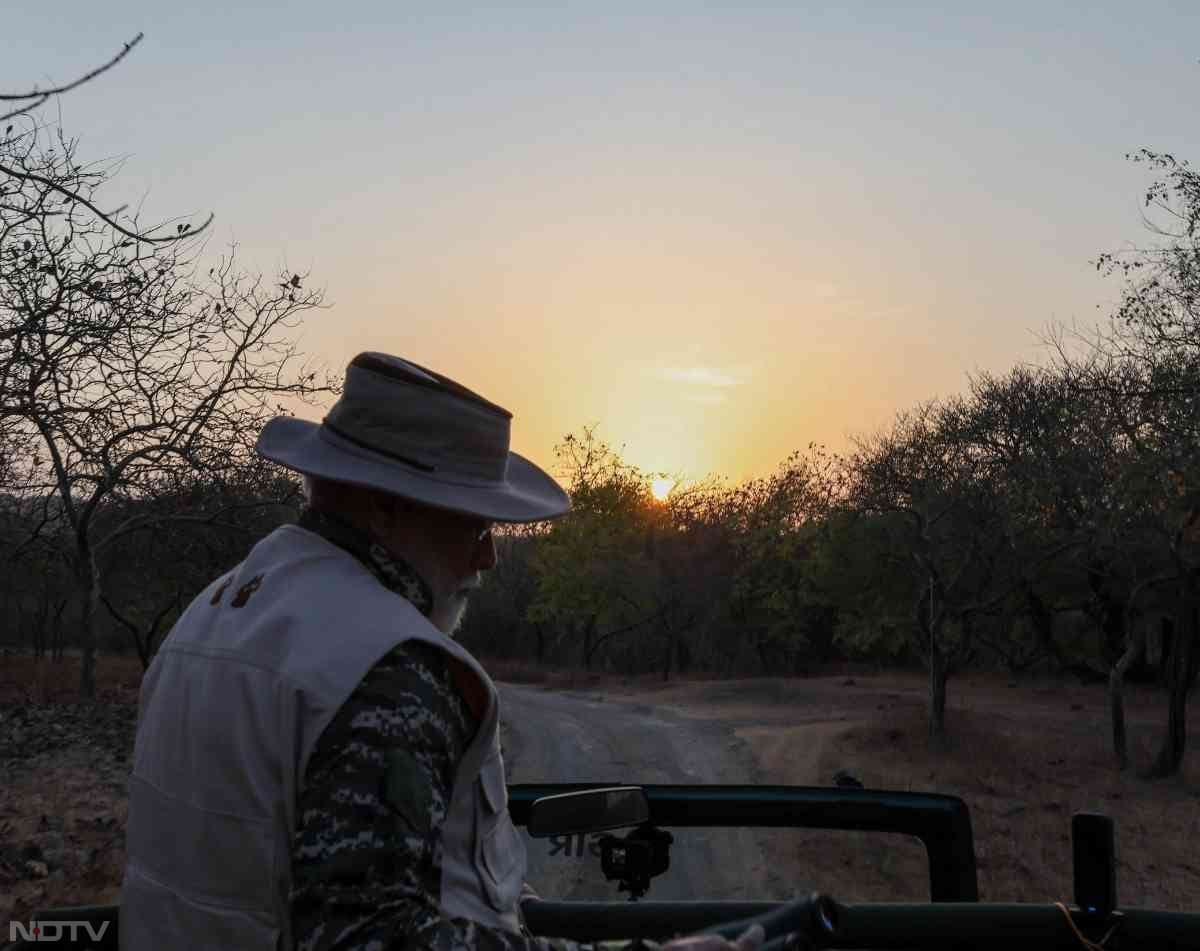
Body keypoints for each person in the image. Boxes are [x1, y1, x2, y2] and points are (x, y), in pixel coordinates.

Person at [120, 352, 765, 951]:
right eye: (474, 522)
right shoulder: (388, 664)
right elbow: (375, 937)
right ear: (384, 505)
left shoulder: (212, 612)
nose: (487, 554)